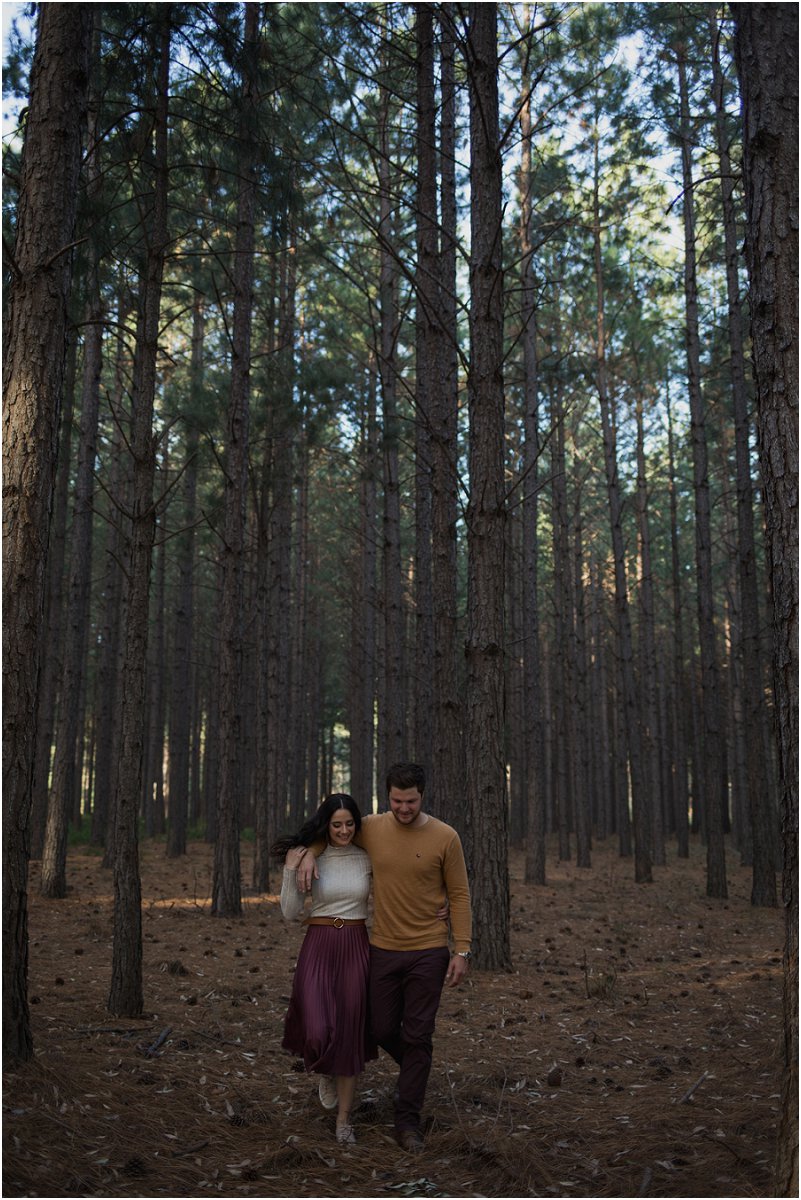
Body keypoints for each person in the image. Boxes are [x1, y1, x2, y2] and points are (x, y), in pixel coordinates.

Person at [296, 763, 472, 1153]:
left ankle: (407, 1121)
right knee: (378, 1028)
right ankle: (416, 1068)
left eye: (410, 801)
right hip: (383, 949)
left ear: (422, 796)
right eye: (396, 800)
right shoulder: (372, 827)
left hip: (428, 950)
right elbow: (331, 832)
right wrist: (308, 854)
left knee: (418, 1033)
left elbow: (458, 893)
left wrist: (461, 948)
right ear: (386, 795)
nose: (403, 808)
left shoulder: (446, 836)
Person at [272, 793, 376, 1145]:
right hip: (318, 943)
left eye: (349, 824)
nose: (344, 830)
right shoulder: (309, 857)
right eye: (336, 824)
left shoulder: (367, 858)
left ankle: (344, 1119)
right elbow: (289, 912)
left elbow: (401, 886)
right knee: (316, 1028)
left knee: (349, 1032)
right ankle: (325, 1070)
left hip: (355, 944)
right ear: (325, 825)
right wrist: (291, 866)